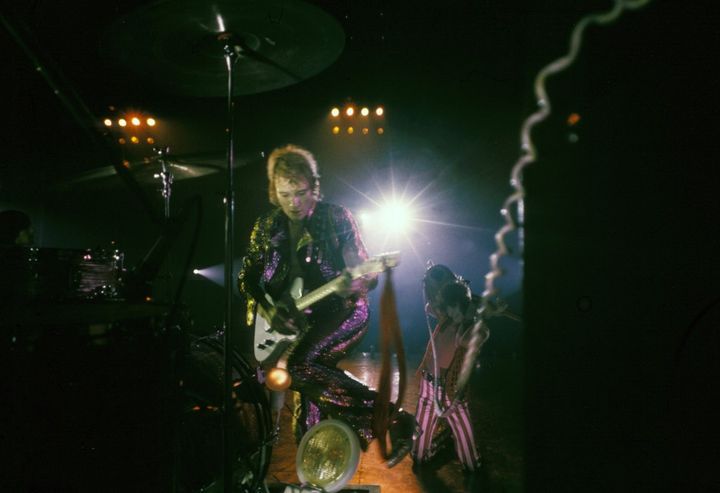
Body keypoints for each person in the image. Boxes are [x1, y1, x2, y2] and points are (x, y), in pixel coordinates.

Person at [237, 144, 416, 467]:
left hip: (342, 312)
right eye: (285, 194)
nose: (294, 202)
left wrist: (357, 280)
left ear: (315, 188)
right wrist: (268, 309)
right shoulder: (266, 227)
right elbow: (248, 279)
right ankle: (316, 473)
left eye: (302, 193)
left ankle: (393, 418)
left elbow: (362, 268)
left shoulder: (336, 218)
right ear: (274, 192)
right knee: (307, 399)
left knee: (300, 366)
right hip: (298, 325)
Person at [411, 263, 486, 472]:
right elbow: (430, 306)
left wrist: (474, 316)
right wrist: (438, 281)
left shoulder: (468, 329)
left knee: (465, 437)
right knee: (420, 441)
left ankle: (472, 464)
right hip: (428, 386)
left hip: (451, 392)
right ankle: (421, 456)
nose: (450, 310)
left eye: (455, 306)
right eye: (448, 306)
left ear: (464, 305)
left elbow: (480, 335)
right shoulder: (445, 317)